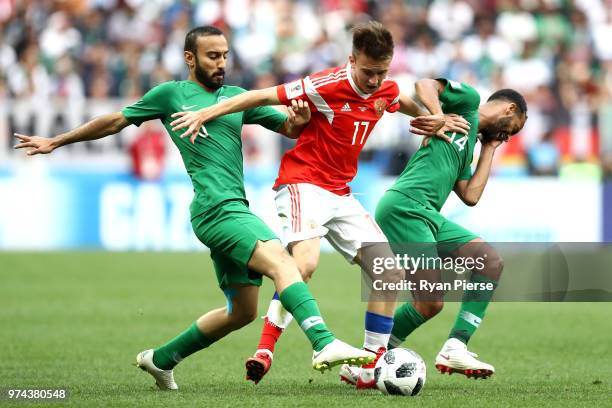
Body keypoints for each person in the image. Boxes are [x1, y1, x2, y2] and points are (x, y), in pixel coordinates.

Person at [13, 25, 375, 391]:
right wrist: (57, 141)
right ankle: (323, 341)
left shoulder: (235, 97)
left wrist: (296, 121)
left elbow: (289, 127)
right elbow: (116, 120)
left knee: (242, 312)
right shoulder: (172, 95)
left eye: (225, 56)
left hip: (231, 208)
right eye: (212, 56)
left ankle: (161, 359)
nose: (221, 63)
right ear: (190, 58)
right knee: (284, 262)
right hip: (217, 210)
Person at [170, 21, 470, 387]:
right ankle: (265, 349)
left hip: (341, 193)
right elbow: (260, 97)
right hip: (303, 183)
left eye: (382, 72)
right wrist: (206, 112)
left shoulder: (384, 88)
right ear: (352, 60)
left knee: (388, 272)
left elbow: (400, 102)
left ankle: (370, 367)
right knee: (305, 263)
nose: (375, 80)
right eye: (368, 71)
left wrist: (434, 121)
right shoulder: (325, 84)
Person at [340, 78, 527, 384]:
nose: (510, 135)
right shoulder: (467, 102)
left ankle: (455, 345)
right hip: (405, 207)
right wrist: (438, 114)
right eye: (515, 127)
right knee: (430, 300)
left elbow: (470, 195)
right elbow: (424, 83)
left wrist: (490, 148)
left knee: (488, 263)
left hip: (428, 215)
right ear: (510, 109)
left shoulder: (468, 145)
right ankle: (367, 364)